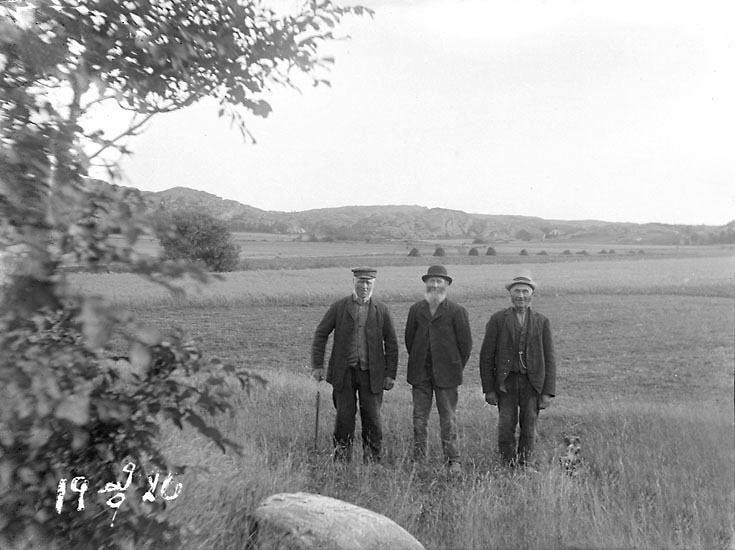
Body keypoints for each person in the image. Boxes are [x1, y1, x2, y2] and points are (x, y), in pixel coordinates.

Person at [311, 267, 398, 463]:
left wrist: (390, 374)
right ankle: (342, 460)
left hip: (372, 374)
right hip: (344, 374)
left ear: (373, 284)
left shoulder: (381, 310)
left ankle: (372, 461)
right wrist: (318, 365)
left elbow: (391, 343)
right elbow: (321, 334)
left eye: (368, 283)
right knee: (344, 418)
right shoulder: (339, 307)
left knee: (372, 419)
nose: (364, 287)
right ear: (353, 283)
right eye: (360, 282)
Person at [479, 270, 557, 466]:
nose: (521, 296)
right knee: (506, 426)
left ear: (531, 295)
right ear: (510, 294)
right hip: (506, 383)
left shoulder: (541, 321)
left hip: (532, 383)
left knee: (529, 426)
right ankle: (507, 464)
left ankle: (525, 464)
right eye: (517, 291)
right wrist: (489, 389)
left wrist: (547, 392)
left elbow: (549, 358)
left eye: (525, 291)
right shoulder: (498, 320)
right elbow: (486, 357)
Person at [405, 265, 472, 475]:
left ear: (446, 285)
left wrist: (453, 366)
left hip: (447, 375)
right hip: (420, 374)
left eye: (439, 281)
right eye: (431, 281)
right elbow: (410, 341)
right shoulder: (416, 310)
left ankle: (453, 460)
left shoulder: (457, 311)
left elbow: (465, 346)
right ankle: (419, 459)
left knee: (448, 419)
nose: (434, 285)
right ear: (426, 284)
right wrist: (421, 359)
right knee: (419, 419)